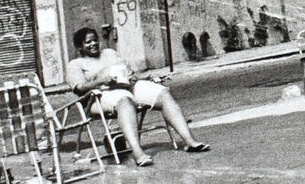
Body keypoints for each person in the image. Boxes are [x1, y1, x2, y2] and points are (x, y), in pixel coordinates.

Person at [65, 27, 209, 165]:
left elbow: (128, 71)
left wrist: (134, 77)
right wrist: (100, 81)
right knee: (125, 101)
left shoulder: (109, 53)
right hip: (99, 95)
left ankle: (190, 141)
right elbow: (79, 88)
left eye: (95, 40)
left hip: (127, 86)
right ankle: (137, 152)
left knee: (163, 93)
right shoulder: (76, 64)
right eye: (88, 42)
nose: (93, 44)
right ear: (79, 47)